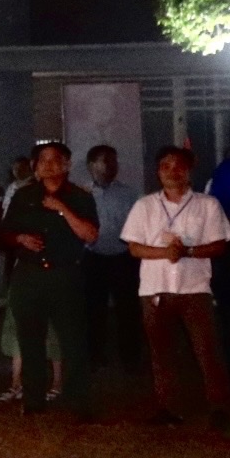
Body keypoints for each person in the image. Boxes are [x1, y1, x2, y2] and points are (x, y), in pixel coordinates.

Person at [121, 146, 230, 429]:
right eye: (166, 166)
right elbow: (134, 247)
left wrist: (188, 252)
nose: (173, 171)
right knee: (161, 351)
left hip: (194, 287)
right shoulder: (145, 205)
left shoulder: (207, 205)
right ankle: (168, 407)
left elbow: (219, 244)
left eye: (179, 165)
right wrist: (166, 253)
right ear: (158, 172)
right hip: (155, 288)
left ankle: (219, 406)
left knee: (207, 349)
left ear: (189, 170)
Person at [0, 141, 100, 421]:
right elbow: (4, 233)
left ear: (67, 165)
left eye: (55, 160)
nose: (49, 165)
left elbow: (90, 235)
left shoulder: (80, 196)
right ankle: (34, 400)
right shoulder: (23, 196)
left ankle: (78, 402)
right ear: (35, 166)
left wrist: (61, 209)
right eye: (42, 160)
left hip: (65, 274)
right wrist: (20, 238)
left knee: (73, 340)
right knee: (30, 339)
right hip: (29, 275)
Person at [84, 145, 141, 373]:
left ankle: (131, 358)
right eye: (104, 160)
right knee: (93, 309)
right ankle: (95, 356)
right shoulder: (82, 193)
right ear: (91, 166)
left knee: (128, 309)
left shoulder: (129, 194)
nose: (110, 165)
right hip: (92, 258)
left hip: (123, 257)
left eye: (113, 160)